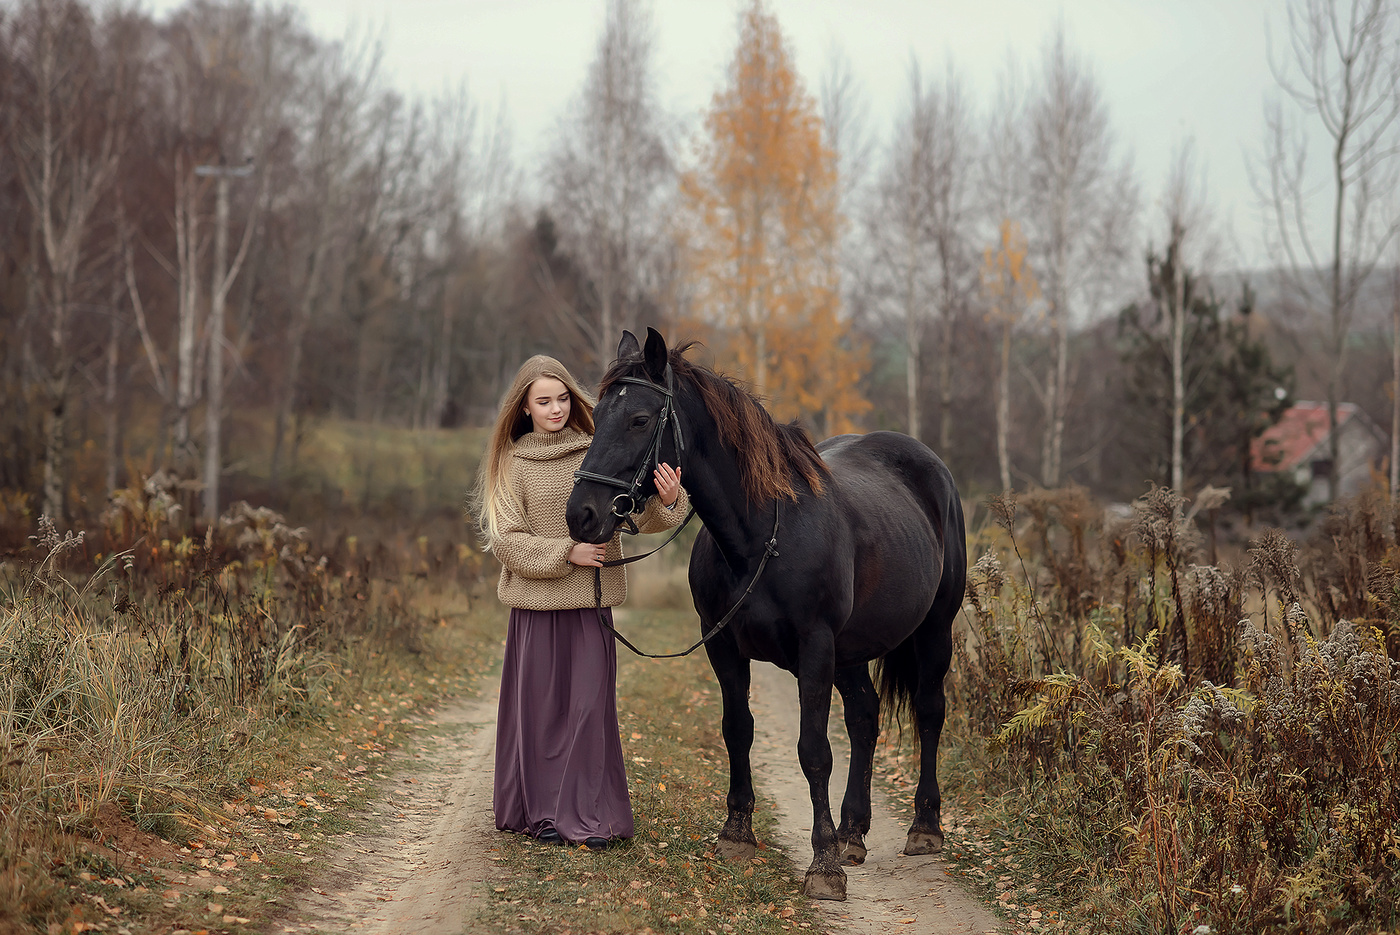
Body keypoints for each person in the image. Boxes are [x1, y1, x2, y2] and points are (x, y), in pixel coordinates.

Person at [470, 354, 686, 851]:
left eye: (563, 398)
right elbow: (507, 540)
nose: (556, 408)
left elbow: (639, 518)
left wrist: (669, 502)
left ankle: (590, 817)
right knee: (543, 719)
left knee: (590, 712)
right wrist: (566, 552)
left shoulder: (599, 449)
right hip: (535, 610)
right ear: (524, 407)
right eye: (543, 401)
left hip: (590, 608)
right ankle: (544, 814)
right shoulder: (511, 463)